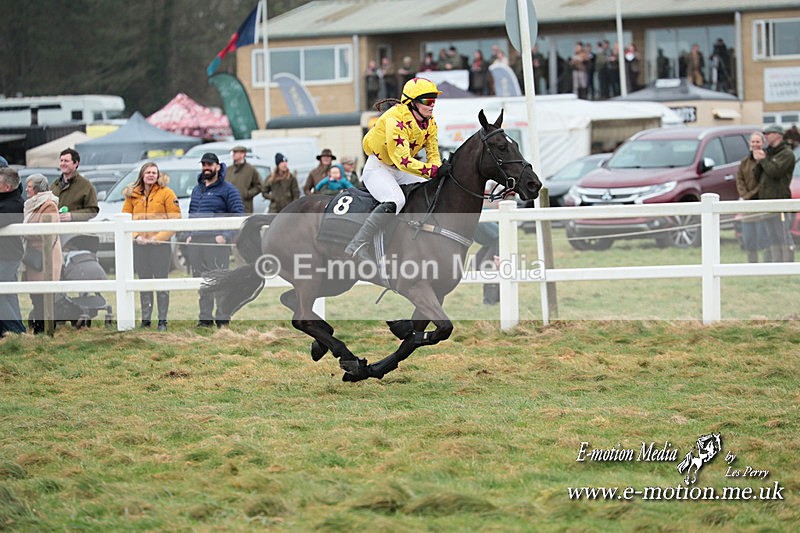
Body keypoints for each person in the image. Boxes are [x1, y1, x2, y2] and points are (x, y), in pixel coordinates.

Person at [344, 77, 443, 262]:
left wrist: (437, 168)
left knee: (432, 190)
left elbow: (432, 151)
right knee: (395, 200)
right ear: (412, 103)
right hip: (379, 168)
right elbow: (403, 161)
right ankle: (357, 244)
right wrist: (433, 171)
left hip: (401, 169)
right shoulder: (395, 119)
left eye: (434, 101)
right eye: (428, 101)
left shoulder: (430, 122)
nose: (432, 106)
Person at [185, 153, 245, 328]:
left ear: (218, 166)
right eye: (203, 164)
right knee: (202, 282)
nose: (206, 167)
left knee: (220, 280)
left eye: (209, 164)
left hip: (215, 241)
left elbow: (238, 215)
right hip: (196, 240)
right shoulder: (197, 190)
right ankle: (205, 318)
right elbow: (191, 213)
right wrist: (188, 234)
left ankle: (222, 317)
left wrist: (225, 235)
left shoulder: (228, 189)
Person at [122, 162, 181, 331]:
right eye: (148, 172)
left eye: (154, 172)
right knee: (144, 281)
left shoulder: (167, 193)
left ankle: (162, 320)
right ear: (142, 174)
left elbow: (175, 219)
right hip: (140, 245)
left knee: (161, 281)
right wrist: (136, 236)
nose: (151, 175)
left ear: (158, 175)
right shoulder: (132, 195)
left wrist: (159, 238)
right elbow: (125, 217)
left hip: (159, 246)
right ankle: (146, 320)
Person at [23, 173, 62, 334]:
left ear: (38, 189)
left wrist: (24, 232)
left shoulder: (48, 205)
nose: (26, 190)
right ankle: (39, 329)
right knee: (35, 296)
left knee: (43, 297)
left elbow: (46, 232)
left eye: (29, 187)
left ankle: (44, 330)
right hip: (34, 255)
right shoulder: (32, 204)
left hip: (46, 256)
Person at [754, 124, 795, 262]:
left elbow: (775, 172)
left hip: (780, 201)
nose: (766, 136)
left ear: (778, 135)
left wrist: (763, 159)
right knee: (771, 236)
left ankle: (787, 264)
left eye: (769, 133)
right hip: (766, 201)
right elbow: (757, 176)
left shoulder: (787, 154)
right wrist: (758, 162)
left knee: (782, 234)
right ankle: (775, 263)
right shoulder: (768, 152)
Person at [0, 166, 25, 336]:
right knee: (8, 295)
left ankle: (16, 331)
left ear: (7, 187)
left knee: (3, 294)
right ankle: (16, 331)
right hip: (7, 254)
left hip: (7, 256)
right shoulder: (9, 201)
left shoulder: (12, 205)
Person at [736, 132, 768, 262]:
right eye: (753, 142)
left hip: (761, 204)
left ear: (763, 143)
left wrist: (750, 194)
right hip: (747, 207)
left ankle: (767, 264)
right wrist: (745, 195)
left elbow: (765, 181)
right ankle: (752, 264)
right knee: (749, 239)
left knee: (763, 238)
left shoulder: (766, 161)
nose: (755, 144)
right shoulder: (744, 162)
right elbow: (739, 179)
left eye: (758, 142)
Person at [50, 148, 98, 222]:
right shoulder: (54, 185)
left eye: (66, 161)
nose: (62, 164)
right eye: (61, 160)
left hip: (76, 231)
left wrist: (72, 216)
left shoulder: (86, 185)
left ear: (76, 163)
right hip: (55, 230)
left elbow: (93, 210)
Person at [226, 146, 262, 214]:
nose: (233, 154)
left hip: (245, 207)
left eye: (236, 152)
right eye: (233, 152)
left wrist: (247, 194)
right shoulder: (228, 170)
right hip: (229, 208)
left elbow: (259, 186)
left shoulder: (250, 170)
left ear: (243, 154)